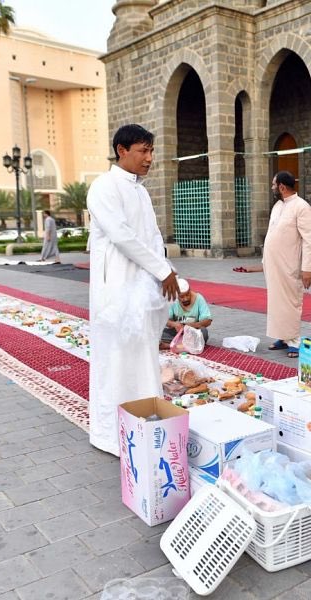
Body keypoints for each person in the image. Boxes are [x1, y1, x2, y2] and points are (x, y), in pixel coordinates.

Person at [87, 124, 179, 456]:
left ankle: (143, 424)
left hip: (141, 290)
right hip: (115, 292)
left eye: (152, 151)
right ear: (122, 150)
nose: (149, 158)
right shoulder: (103, 187)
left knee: (143, 359)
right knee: (115, 363)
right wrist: (161, 269)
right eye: (143, 151)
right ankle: (111, 436)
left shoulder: (141, 190)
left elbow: (153, 239)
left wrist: (170, 274)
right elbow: (122, 235)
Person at [235, 171, 311, 358]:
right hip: (274, 266)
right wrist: (263, 264)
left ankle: (294, 341)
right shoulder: (278, 206)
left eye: (273, 185)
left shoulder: (302, 207)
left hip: (290, 265)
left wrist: (307, 269)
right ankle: (283, 337)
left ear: (281, 187)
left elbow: (308, 241)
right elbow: (272, 236)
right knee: (277, 303)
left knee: (291, 302)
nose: (272, 188)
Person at [160, 278, 213, 350]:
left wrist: (190, 326)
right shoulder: (172, 300)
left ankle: (171, 345)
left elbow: (208, 321)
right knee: (158, 332)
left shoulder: (199, 298)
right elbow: (164, 320)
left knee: (204, 332)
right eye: (182, 296)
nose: (185, 299)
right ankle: (184, 345)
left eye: (187, 294)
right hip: (177, 332)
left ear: (190, 290)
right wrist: (174, 324)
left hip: (193, 332)